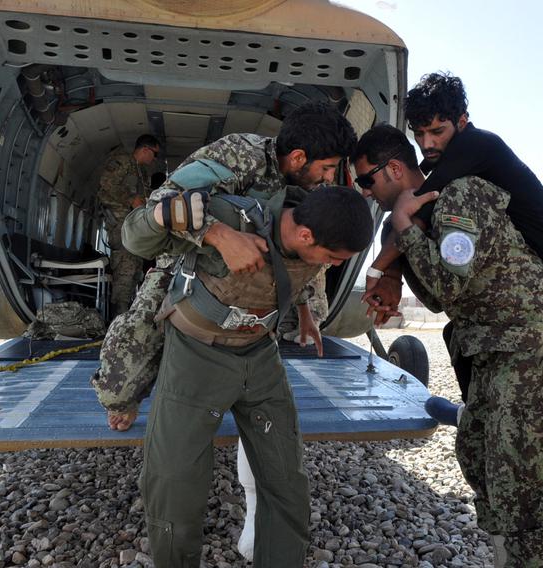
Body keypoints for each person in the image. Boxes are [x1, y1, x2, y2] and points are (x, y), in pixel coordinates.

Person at [353, 124, 543, 568]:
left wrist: (403, 232)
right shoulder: (414, 221)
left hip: (526, 342)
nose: (365, 192)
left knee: (517, 476)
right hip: (489, 347)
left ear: (394, 168)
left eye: (366, 180)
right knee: (477, 457)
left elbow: (449, 286)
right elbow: (434, 297)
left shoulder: (458, 197)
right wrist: (392, 269)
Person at [124, 184, 373, 567]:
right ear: (306, 235)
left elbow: (299, 271)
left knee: (287, 483)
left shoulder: (313, 235)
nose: (336, 265)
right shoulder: (230, 218)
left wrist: (306, 315)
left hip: (259, 353)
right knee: (173, 482)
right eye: (333, 257)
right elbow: (135, 237)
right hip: (196, 353)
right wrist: (212, 233)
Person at [91, 100, 357, 432]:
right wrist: (218, 235)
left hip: (253, 285)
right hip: (186, 263)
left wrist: (305, 311)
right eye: (328, 167)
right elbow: (165, 203)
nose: (330, 177)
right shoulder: (240, 154)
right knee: (121, 381)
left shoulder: (312, 189)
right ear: (299, 158)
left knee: (250, 366)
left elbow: (307, 252)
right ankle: (126, 400)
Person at [97, 133, 161, 318]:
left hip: (133, 224)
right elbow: (106, 183)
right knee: (125, 262)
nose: (154, 159)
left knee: (135, 264)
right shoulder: (122, 161)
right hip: (119, 221)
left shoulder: (141, 172)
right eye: (154, 154)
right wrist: (131, 199)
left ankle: (129, 307)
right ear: (145, 149)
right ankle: (119, 311)